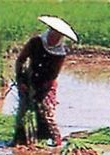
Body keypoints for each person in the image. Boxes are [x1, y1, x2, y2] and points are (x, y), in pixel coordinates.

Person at [14, 16, 78, 147]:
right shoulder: (35, 42)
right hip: (29, 79)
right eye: (53, 35)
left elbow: (52, 76)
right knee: (24, 111)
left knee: (46, 111)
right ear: (49, 32)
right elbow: (20, 60)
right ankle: (21, 138)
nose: (53, 39)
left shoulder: (60, 53)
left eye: (57, 37)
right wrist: (21, 81)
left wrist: (38, 93)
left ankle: (56, 140)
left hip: (46, 84)